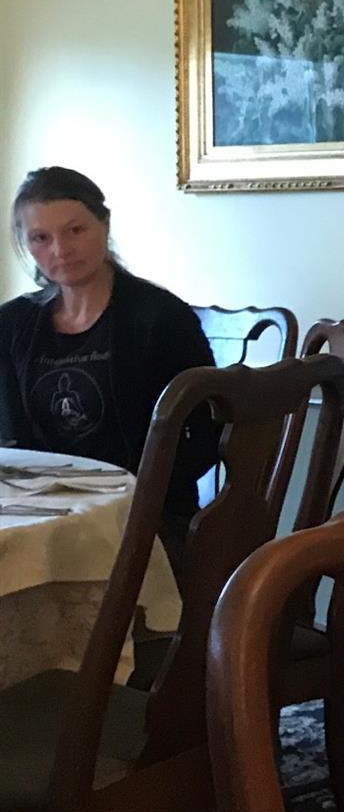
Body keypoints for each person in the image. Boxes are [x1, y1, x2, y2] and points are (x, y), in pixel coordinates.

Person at [0, 166, 217, 565]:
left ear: (104, 224)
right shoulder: (12, 324)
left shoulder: (161, 317)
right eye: (41, 238)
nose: (60, 250)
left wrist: (140, 492)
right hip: (42, 513)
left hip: (145, 518)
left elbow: (207, 434)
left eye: (75, 230)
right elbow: (11, 436)